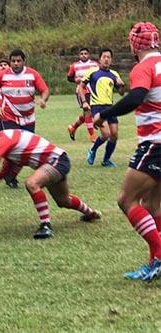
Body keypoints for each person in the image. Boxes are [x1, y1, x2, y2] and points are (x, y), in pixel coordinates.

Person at [93, 22, 161, 282]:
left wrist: (105, 115)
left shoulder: (143, 68)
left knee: (126, 200)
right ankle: (154, 262)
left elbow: (136, 98)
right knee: (152, 205)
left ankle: (158, 256)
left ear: (135, 45)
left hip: (154, 144)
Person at [0, 129, 100, 239]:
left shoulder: (2, 141)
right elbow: (10, 162)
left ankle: (45, 225)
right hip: (55, 161)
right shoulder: (3, 137)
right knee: (63, 201)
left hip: (56, 161)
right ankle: (90, 213)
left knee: (32, 183)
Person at [0, 49, 50, 189]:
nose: (15, 64)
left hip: (28, 118)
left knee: (25, 149)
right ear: (10, 62)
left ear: (23, 61)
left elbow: (45, 90)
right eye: (13, 61)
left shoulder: (32, 75)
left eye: (18, 61)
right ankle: (7, 174)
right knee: (12, 148)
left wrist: (43, 99)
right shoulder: (2, 75)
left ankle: (10, 175)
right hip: (9, 117)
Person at [81, 48, 125, 168]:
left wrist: (121, 85)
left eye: (108, 57)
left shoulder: (114, 74)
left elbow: (121, 93)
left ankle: (106, 160)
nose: (106, 59)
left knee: (114, 135)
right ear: (99, 59)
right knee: (106, 134)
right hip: (97, 106)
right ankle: (93, 149)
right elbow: (81, 87)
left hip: (110, 107)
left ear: (111, 60)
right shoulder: (92, 72)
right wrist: (84, 102)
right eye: (104, 57)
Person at [66, 48, 99, 142]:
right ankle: (92, 135)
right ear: (79, 55)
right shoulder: (74, 65)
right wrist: (74, 80)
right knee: (87, 111)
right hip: (82, 91)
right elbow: (69, 77)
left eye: (85, 53)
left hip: (93, 91)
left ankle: (73, 127)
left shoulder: (94, 64)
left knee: (88, 114)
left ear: (88, 55)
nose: (83, 55)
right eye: (81, 54)